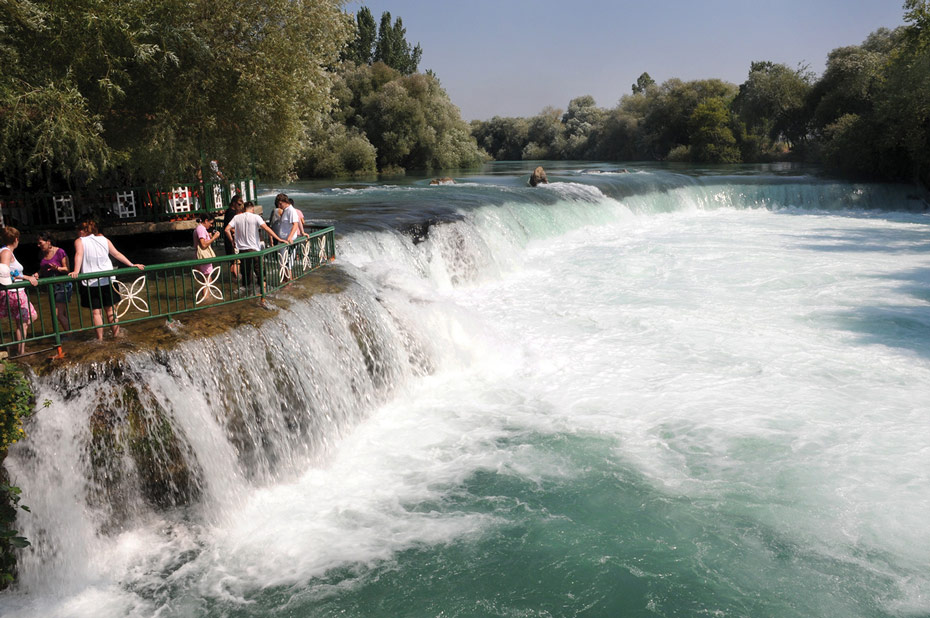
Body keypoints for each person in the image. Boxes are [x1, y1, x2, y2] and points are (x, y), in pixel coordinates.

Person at [69, 219, 144, 340]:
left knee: (96, 313)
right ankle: (116, 335)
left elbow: (79, 255)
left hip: (91, 281)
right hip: (107, 279)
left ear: (82, 231)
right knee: (111, 311)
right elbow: (117, 254)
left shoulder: (80, 241)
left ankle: (100, 339)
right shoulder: (105, 240)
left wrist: (76, 271)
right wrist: (131, 264)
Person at [225, 201, 287, 295]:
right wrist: (278, 238)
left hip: (242, 251)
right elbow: (266, 228)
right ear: (252, 209)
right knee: (261, 274)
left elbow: (226, 229)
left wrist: (232, 241)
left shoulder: (236, 217)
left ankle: (247, 297)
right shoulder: (256, 217)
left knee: (246, 275)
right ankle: (262, 297)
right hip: (255, 250)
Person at [0, 227, 38, 355]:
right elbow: (4, 271)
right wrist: (26, 277)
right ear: (16, 239)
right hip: (14, 291)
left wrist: (28, 277)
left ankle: (19, 348)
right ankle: (20, 351)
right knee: (27, 319)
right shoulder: (6, 252)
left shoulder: (8, 252)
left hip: (17, 290)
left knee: (24, 320)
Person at [37, 231, 73, 331]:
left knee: (58, 314)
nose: (38, 245)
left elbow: (67, 269)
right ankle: (68, 333)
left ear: (48, 242)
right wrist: (38, 274)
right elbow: (43, 268)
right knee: (62, 313)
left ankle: (69, 336)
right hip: (52, 286)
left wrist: (57, 268)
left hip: (62, 285)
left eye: (41, 243)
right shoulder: (41, 254)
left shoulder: (60, 252)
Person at [222, 193, 244, 277]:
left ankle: (233, 279)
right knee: (236, 261)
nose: (240, 206)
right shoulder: (232, 213)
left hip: (228, 239)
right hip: (232, 239)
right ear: (234, 203)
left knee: (233, 261)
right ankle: (237, 280)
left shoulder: (228, 211)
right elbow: (230, 227)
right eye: (239, 204)